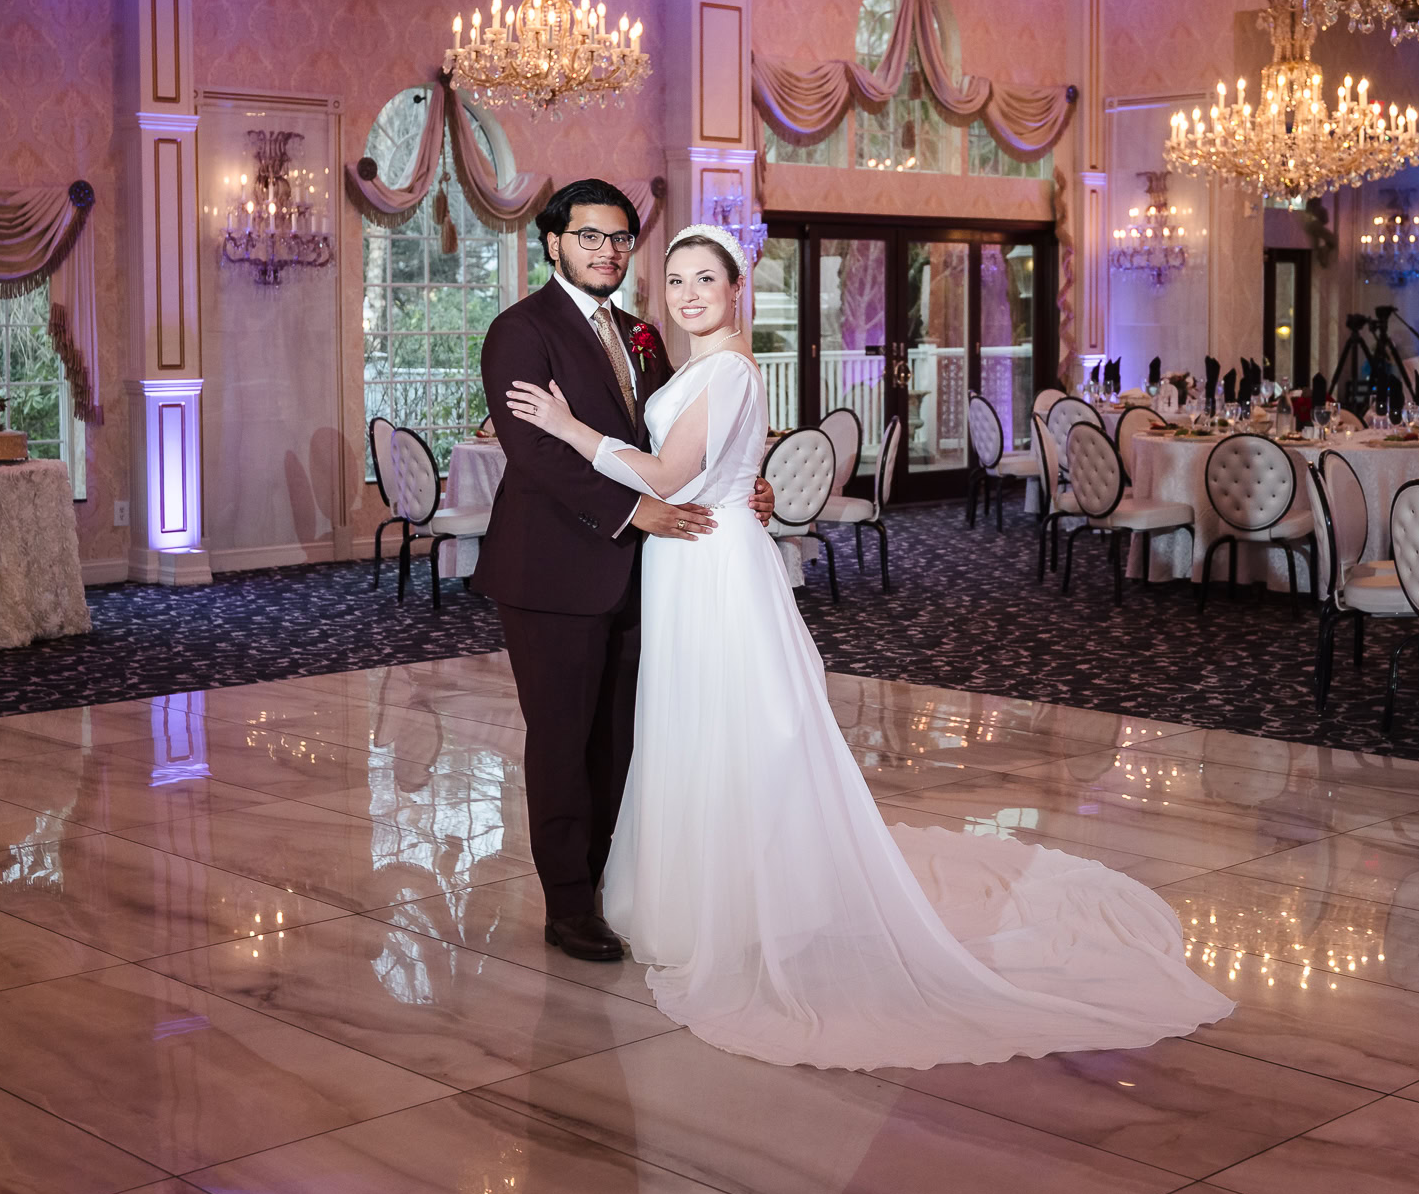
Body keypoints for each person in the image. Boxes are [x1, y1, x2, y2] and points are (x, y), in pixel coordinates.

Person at [506, 222, 1234, 1070]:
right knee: (691, 728)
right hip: (689, 555)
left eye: (705, 279)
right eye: (675, 281)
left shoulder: (732, 367)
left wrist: (566, 428)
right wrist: (749, 482)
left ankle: (738, 906)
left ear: (739, 288)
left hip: (707, 560)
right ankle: (698, 894)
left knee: (731, 726)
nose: (688, 294)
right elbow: (707, 461)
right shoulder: (696, 365)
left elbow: (668, 477)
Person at [473, 181, 772, 963]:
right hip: (551, 572)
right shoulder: (520, 330)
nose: (607, 250)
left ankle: (608, 879)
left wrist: (744, 485)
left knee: (621, 738)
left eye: (619, 239)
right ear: (553, 244)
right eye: (589, 236)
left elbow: (674, 444)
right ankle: (568, 905)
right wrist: (633, 515)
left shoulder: (643, 332)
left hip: (645, 574)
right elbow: (535, 457)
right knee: (564, 738)